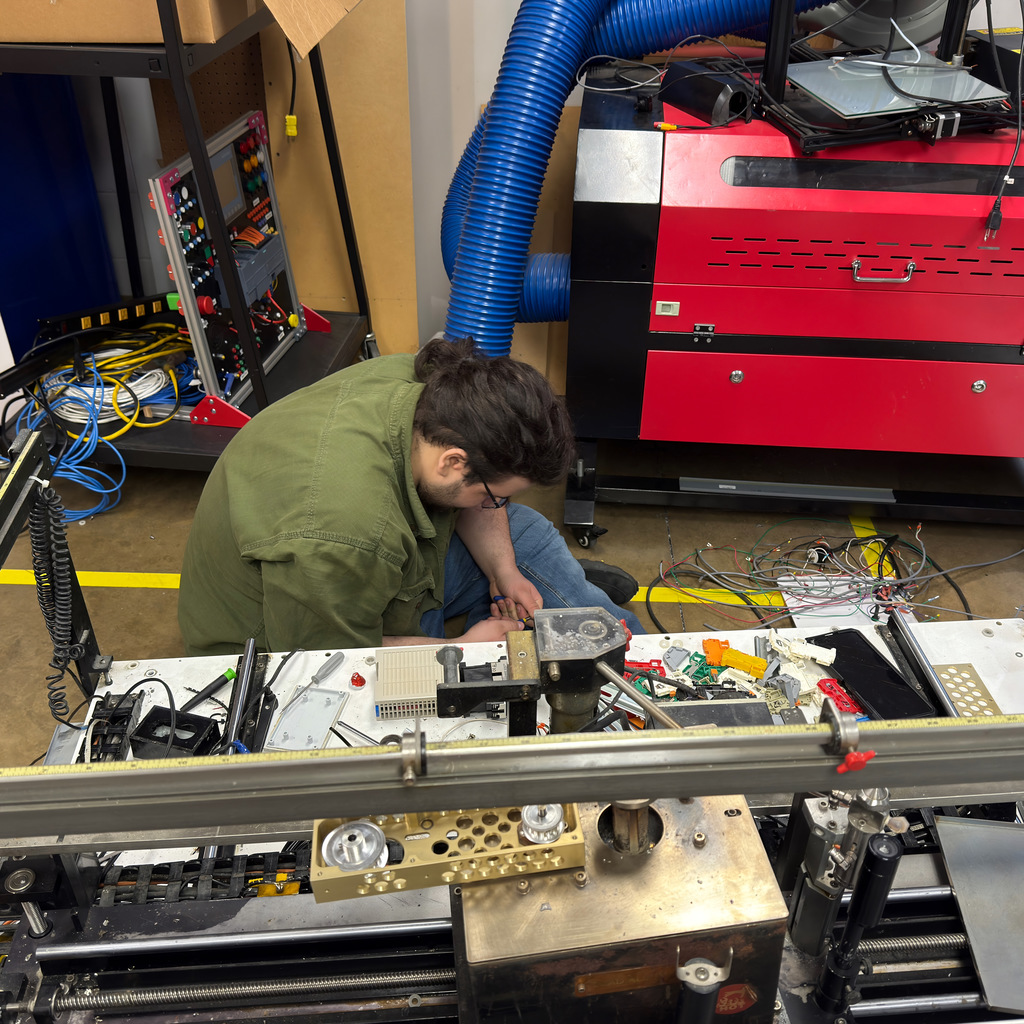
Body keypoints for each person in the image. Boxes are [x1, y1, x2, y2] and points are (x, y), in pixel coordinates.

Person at [178, 337, 643, 656]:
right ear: (453, 462)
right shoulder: (346, 534)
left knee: (526, 537)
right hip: (284, 644)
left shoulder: (435, 384)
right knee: (463, 686)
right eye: (492, 496)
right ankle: (551, 606)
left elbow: (481, 501)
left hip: (341, 563)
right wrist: (462, 651)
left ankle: (640, 655)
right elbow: (330, 661)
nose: (494, 505)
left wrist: (503, 572)